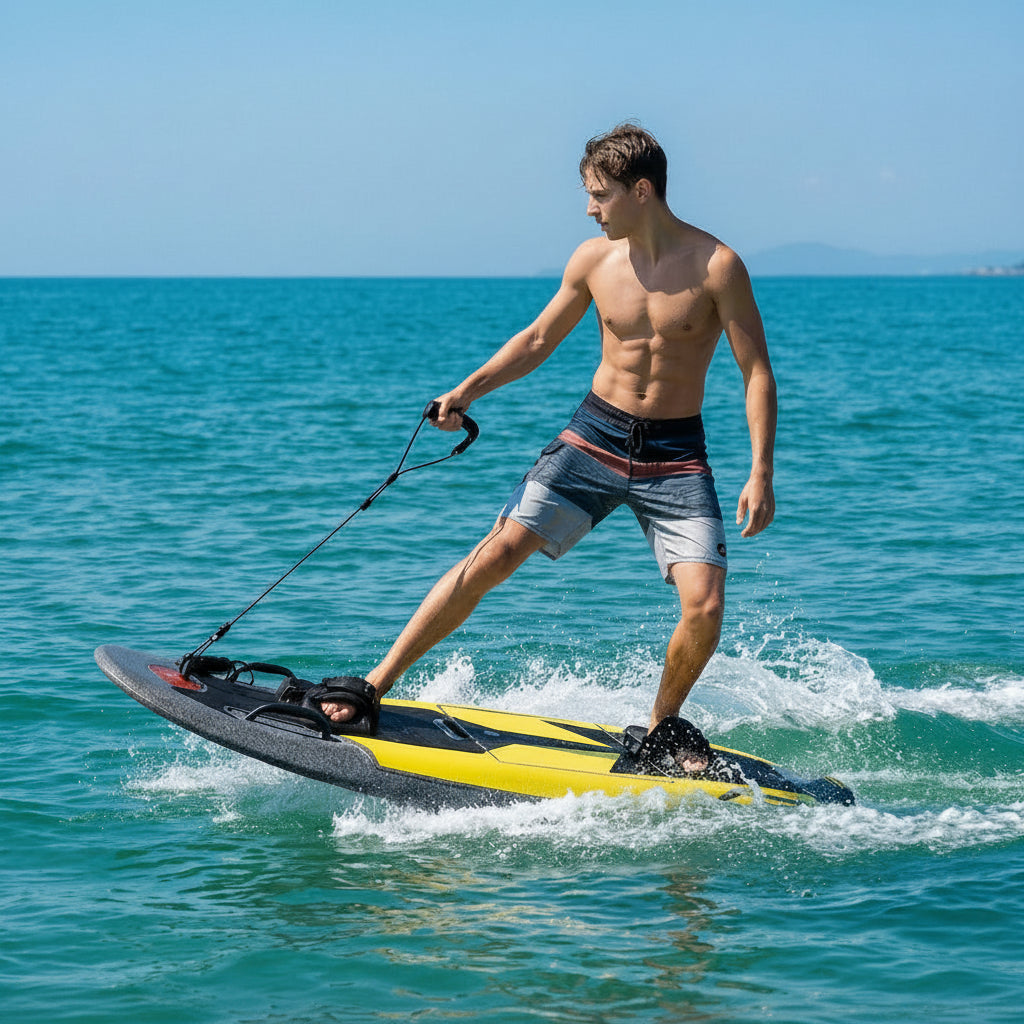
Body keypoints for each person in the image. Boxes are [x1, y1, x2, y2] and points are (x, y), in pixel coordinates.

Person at [321, 123, 776, 747]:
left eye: (600, 194)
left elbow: (756, 373)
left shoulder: (717, 266)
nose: (590, 209)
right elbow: (537, 340)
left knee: (705, 606)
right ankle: (373, 685)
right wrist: (466, 391)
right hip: (595, 437)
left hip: (676, 455)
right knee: (497, 552)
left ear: (641, 191)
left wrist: (761, 471)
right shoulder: (594, 261)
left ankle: (661, 728)